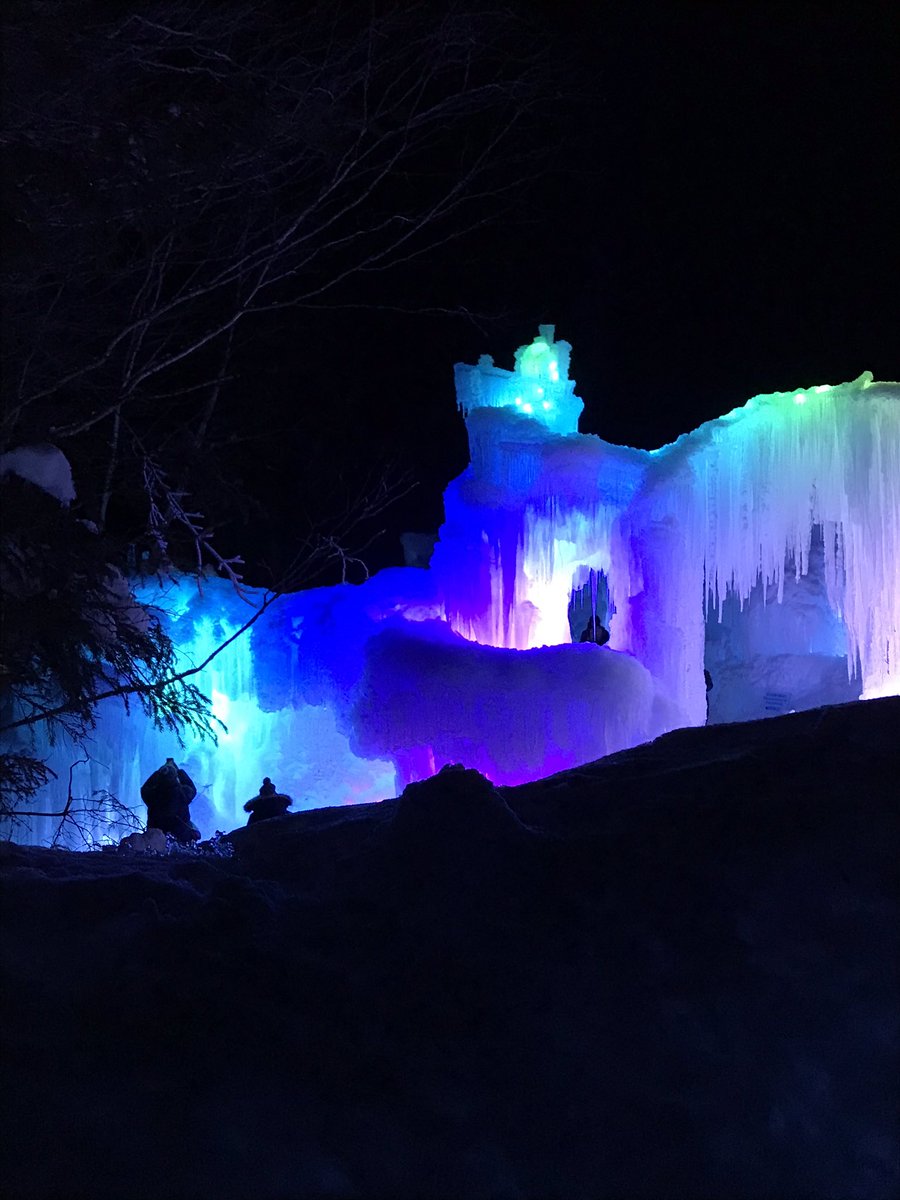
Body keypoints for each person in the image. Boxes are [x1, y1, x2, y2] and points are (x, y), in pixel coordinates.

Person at [140, 757, 200, 842]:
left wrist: (159, 772)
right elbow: (192, 788)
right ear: (175, 778)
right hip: (181, 835)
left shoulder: (152, 795)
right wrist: (179, 771)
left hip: (157, 836)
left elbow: (144, 788)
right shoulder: (183, 793)